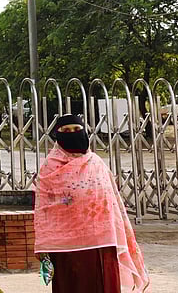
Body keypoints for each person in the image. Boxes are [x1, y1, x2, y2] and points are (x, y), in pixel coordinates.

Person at [33, 114, 151, 292]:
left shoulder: (96, 164)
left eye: (77, 130)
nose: (72, 134)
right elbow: (43, 210)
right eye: (66, 131)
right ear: (57, 135)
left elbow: (111, 203)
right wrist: (43, 244)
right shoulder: (49, 169)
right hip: (66, 249)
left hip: (102, 244)